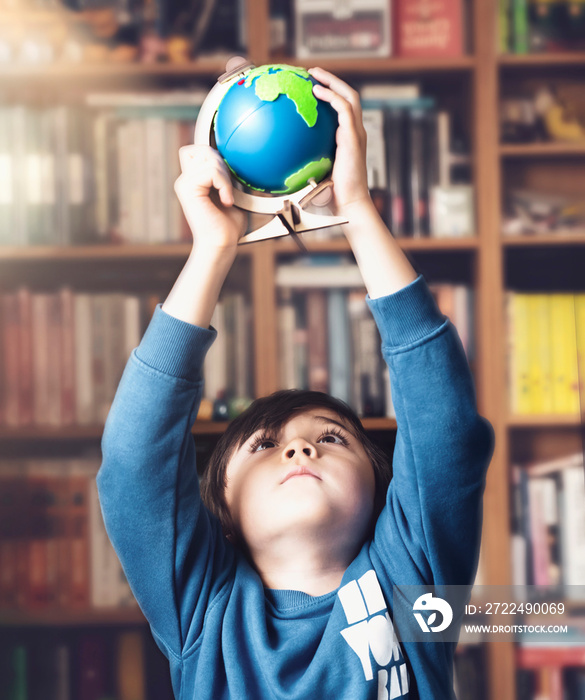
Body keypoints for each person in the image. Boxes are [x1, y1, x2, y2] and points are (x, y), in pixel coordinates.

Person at [97, 67, 494, 700]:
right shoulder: (203, 609)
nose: (301, 449)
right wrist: (211, 250)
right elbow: (132, 464)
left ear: (383, 490)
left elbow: (445, 431)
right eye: (264, 445)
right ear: (220, 507)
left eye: (333, 438)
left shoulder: (410, 581)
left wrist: (358, 213)